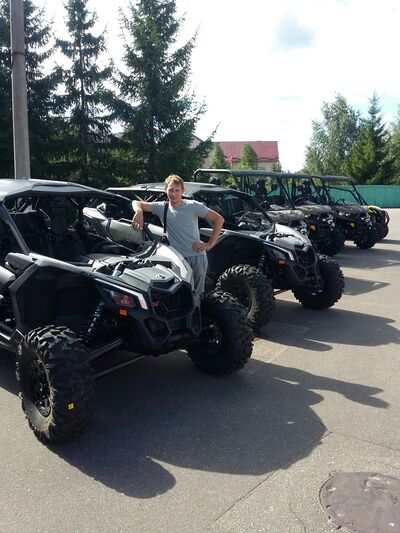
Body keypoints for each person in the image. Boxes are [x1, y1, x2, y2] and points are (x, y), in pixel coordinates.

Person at [131, 174, 224, 294]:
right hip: (177, 260)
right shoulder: (162, 207)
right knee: (180, 295)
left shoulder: (193, 206)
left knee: (197, 295)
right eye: (171, 190)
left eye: (177, 190)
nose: (173, 194)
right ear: (165, 190)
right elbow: (136, 202)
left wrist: (210, 244)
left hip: (196, 257)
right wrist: (139, 212)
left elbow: (219, 219)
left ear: (182, 191)